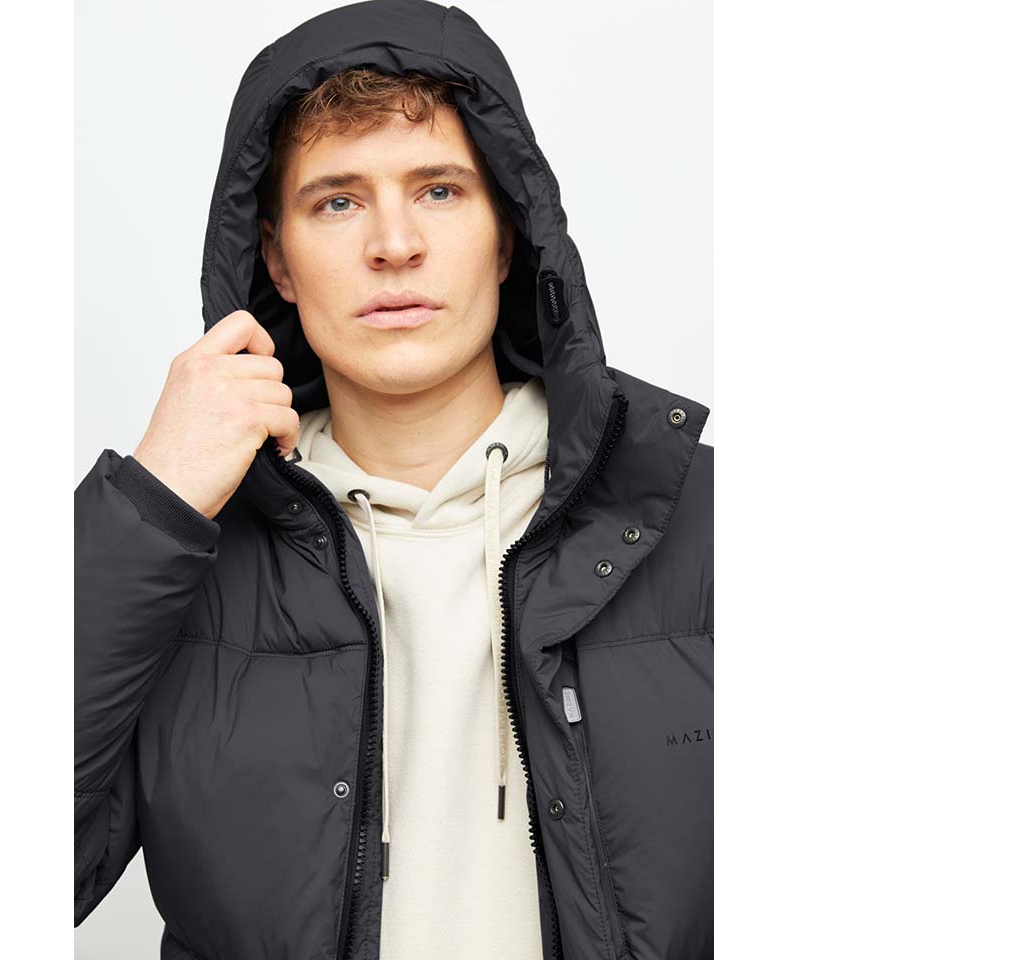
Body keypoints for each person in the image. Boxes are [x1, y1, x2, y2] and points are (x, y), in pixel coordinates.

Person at [75, 1, 712, 958]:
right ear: (277, 261)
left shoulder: (697, 522)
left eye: (440, 191)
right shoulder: (182, 556)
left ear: (508, 234)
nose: (395, 244)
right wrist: (149, 508)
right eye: (337, 201)